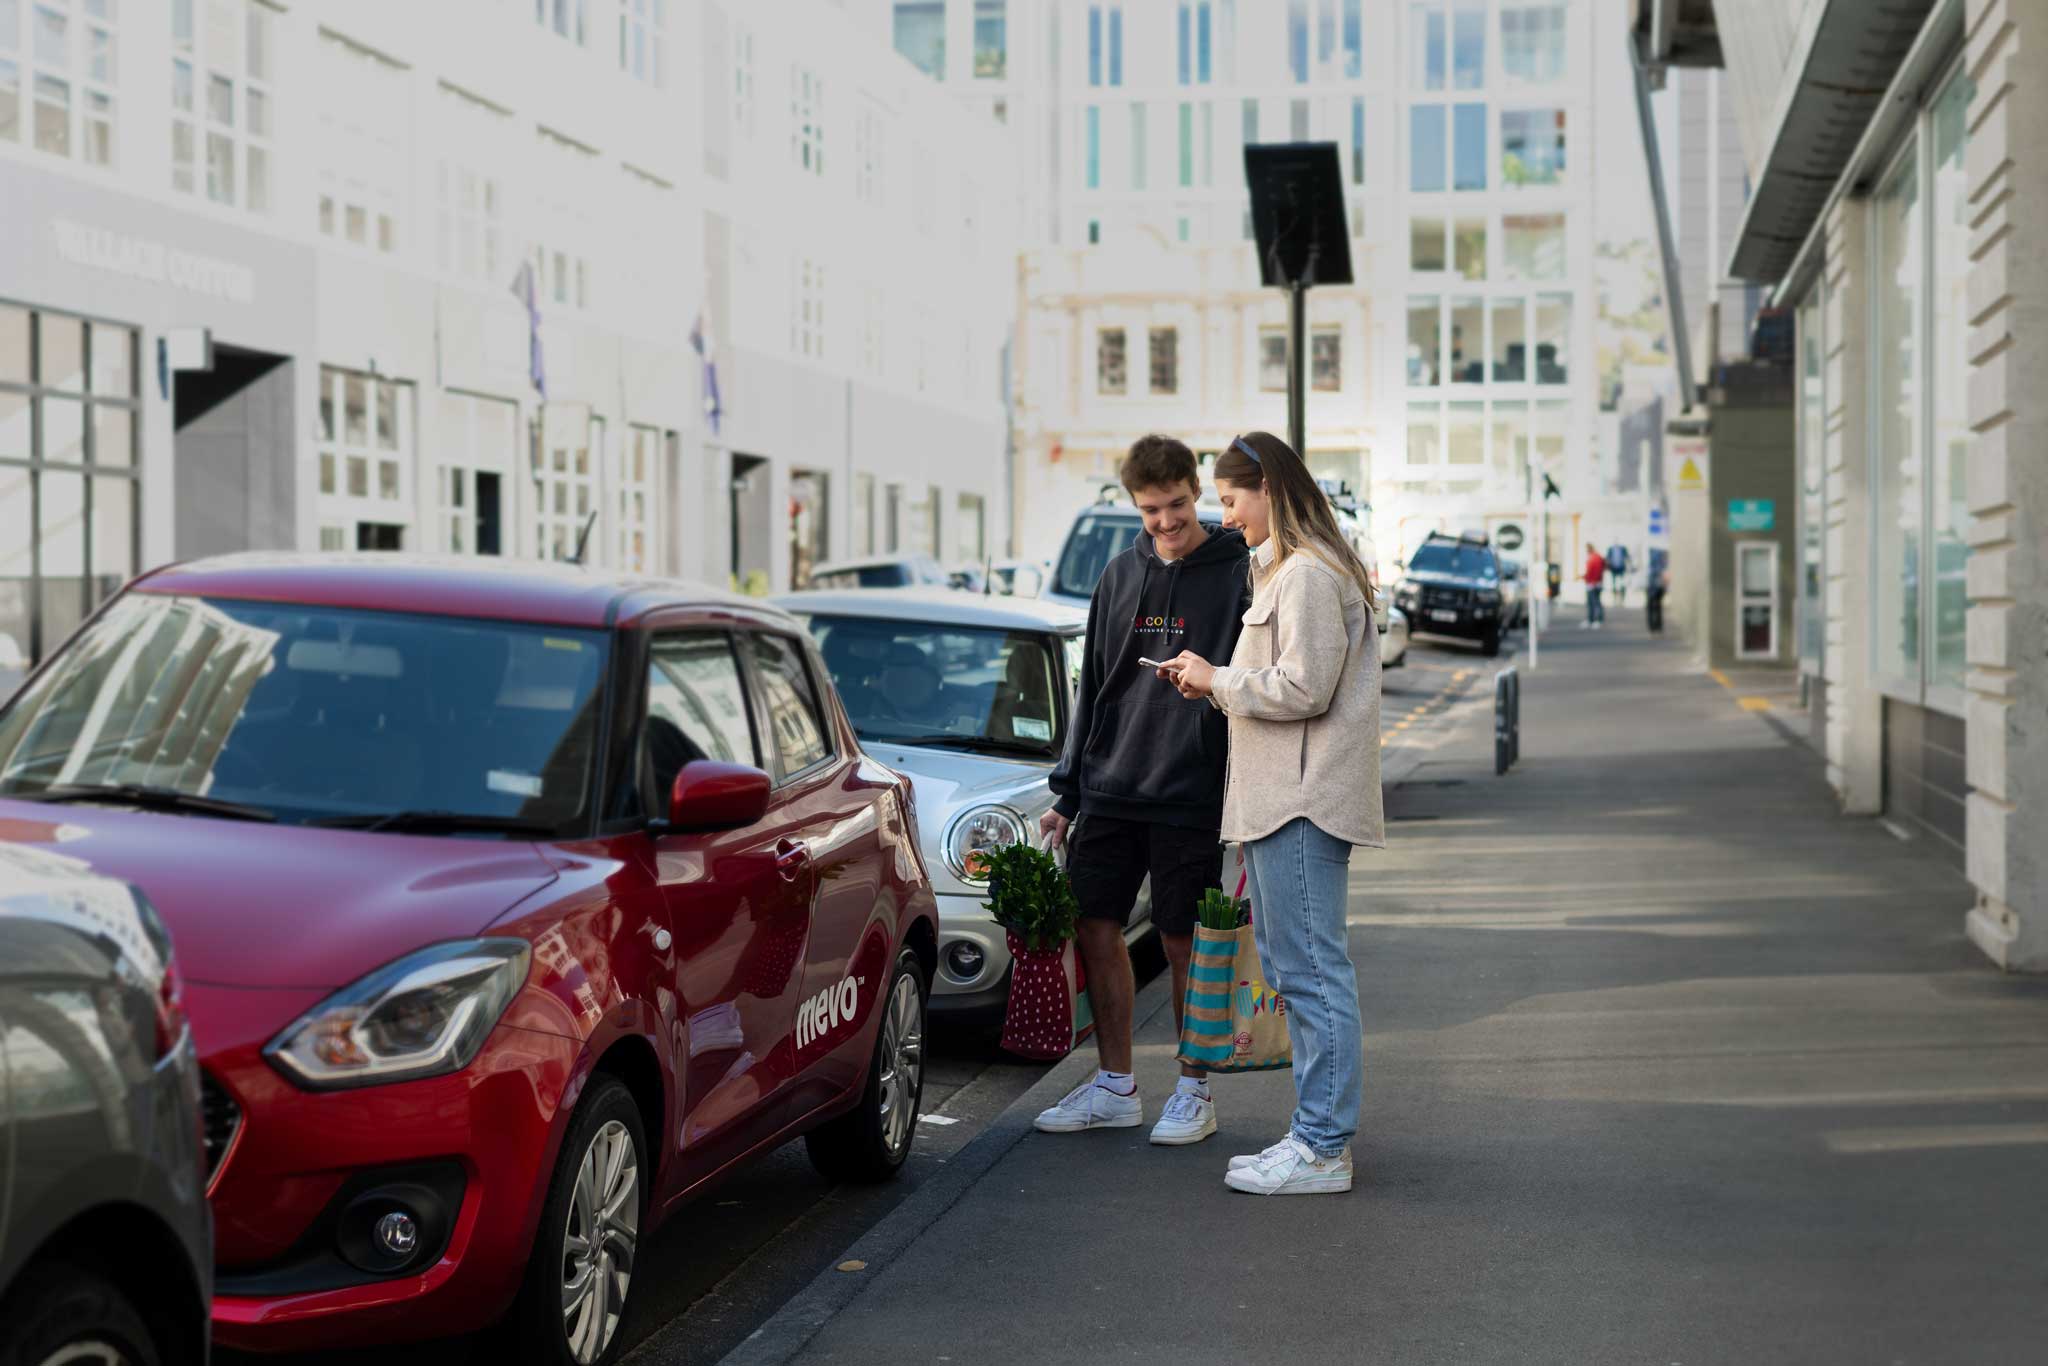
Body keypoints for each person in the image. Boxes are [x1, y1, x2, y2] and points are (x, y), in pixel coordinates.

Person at [1161, 430, 1380, 1196]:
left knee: (1312, 975)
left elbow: (1304, 686)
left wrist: (1218, 680)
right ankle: (1315, 1136)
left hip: (1300, 802)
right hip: (1284, 801)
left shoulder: (1309, 577)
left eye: (1231, 500)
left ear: (1270, 492)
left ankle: (1322, 1146)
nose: (1226, 517)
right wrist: (1218, 682)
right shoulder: (1290, 572)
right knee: (1303, 971)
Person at [1035, 434, 1251, 1146]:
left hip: (1189, 786)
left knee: (1183, 939)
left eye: (1178, 505)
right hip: (1109, 784)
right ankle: (1115, 1086)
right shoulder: (1117, 575)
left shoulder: (1236, 570)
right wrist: (1067, 794)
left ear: (1197, 491)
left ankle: (1194, 1090)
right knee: (1094, 925)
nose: (1166, 522)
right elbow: (1091, 686)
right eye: (1152, 510)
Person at [1581, 544, 1607, 629]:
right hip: (1593, 583)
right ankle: (1591, 620)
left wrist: (1593, 580)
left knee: (1595, 602)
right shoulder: (1596, 557)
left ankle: (1598, 620)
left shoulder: (1594, 558)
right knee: (1592, 602)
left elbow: (1595, 571)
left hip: (1593, 583)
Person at [1646, 550, 1668, 633]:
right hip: (1657, 586)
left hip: (1654, 587)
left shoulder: (1654, 565)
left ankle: (1654, 626)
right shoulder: (1661, 564)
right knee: (1657, 607)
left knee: (1653, 607)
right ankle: (1656, 626)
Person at [1605, 540, 1631, 605]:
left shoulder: (1623, 549)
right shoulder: (1611, 549)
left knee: (1622, 583)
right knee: (1614, 584)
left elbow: (1627, 557)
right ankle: (1615, 597)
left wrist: (1628, 565)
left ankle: (1622, 597)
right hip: (1613, 568)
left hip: (1621, 568)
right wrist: (1608, 565)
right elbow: (1607, 557)